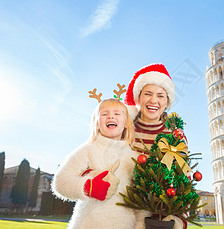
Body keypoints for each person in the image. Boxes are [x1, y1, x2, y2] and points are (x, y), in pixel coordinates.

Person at [52, 98, 137, 229]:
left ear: (126, 122)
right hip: (89, 224)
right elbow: (60, 181)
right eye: (104, 114)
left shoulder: (133, 156)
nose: (110, 116)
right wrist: (88, 187)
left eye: (117, 113)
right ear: (96, 123)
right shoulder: (88, 149)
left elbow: (141, 199)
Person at [125, 63, 187, 229]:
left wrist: (178, 219)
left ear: (167, 102)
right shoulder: (123, 129)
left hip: (161, 216)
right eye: (148, 94)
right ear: (138, 97)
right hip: (122, 212)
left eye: (161, 96)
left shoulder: (175, 136)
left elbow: (183, 181)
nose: (154, 100)